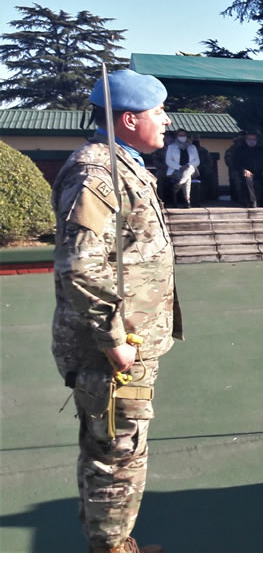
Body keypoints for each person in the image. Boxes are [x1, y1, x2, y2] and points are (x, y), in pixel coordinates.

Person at [50, 69, 182, 553]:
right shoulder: (97, 173)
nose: (166, 121)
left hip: (130, 339)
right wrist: (114, 339)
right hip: (113, 349)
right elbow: (80, 266)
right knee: (115, 453)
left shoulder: (123, 164)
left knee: (115, 445)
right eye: (158, 112)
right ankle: (111, 554)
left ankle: (113, 542)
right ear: (128, 119)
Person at [233, 131, 263, 208]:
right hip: (247, 172)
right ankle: (252, 202)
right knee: (247, 178)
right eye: (249, 139)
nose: (251, 141)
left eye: (253, 139)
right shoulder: (239, 150)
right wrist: (243, 170)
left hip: (261, 172)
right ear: (246, 140)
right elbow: (236, 164)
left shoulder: (262, 150)